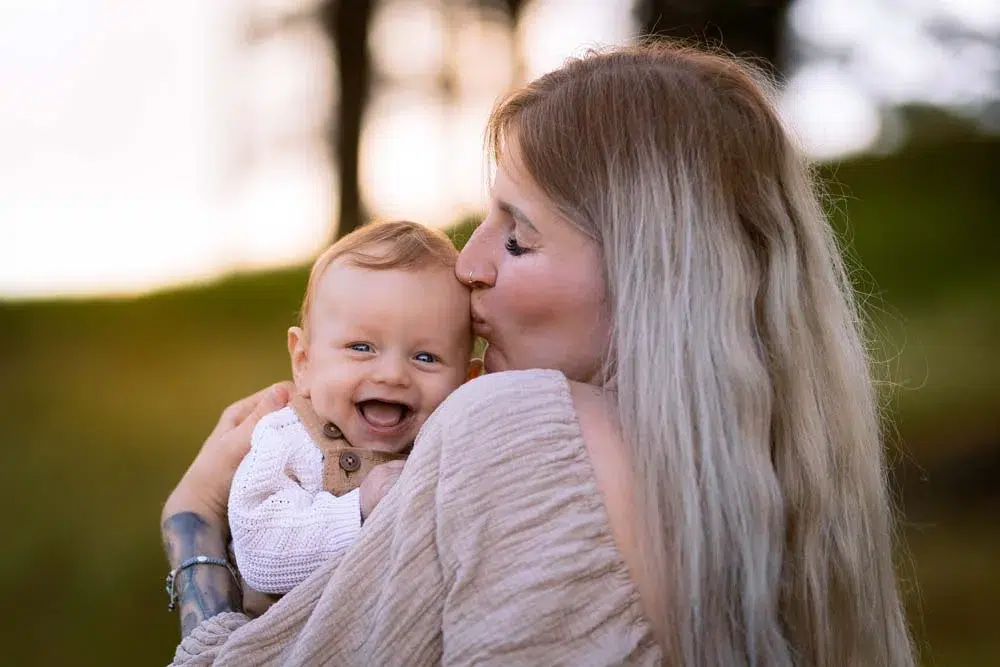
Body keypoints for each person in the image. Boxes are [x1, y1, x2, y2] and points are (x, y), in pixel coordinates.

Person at [161, 42, 916, 666]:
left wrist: (193, 522)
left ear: (648, 281)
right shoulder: (776, 501)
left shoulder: (521, 434)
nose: (468, 263)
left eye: (517, 237)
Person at [226, 220, 475, 601]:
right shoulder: (287, 439)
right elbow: (258, 550)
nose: (392, 374)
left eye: (426, 357)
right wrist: (356, 510)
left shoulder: (451, 444)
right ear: (304, 362)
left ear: (467, 380)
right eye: (362, 348)